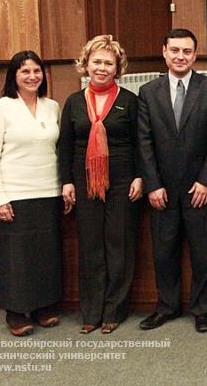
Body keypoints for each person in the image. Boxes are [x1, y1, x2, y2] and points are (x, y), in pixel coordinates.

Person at [137, 28, 207, 333]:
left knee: (203, 254)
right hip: (162, 190)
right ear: (164, 51)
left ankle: (202, 310)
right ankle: (167, 307)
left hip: (201, 190)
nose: (180, 56)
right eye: (174, 50)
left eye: (187, 51)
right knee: (164, 253)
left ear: (195, 55)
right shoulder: (148, 92)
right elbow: (144, 142)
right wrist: (152, 183)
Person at [58, 35, 143, 334]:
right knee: (91, 247)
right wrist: (66, 182)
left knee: (119, 247)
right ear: (86, 65)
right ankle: (91, 312)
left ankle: (114, 310)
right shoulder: (73, 102)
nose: (102, 68)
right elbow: (65, 146)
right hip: (84, 183)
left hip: (123, 182)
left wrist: (140, 176)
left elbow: (140, 144)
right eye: (97, 62)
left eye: (109, 63)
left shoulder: (130, 101)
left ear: (118, 68)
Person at [0, 50, 69, 336]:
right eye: (25, 72)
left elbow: (58, 151)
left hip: (48, 191)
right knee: (15, 257)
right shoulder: (0, 108)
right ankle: (16, 312)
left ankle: (44, 306)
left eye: (36, 71)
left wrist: (64, 188)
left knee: (45, 254)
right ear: (14, 76)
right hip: (14, 195)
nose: (32, 76)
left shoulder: (52, 106)